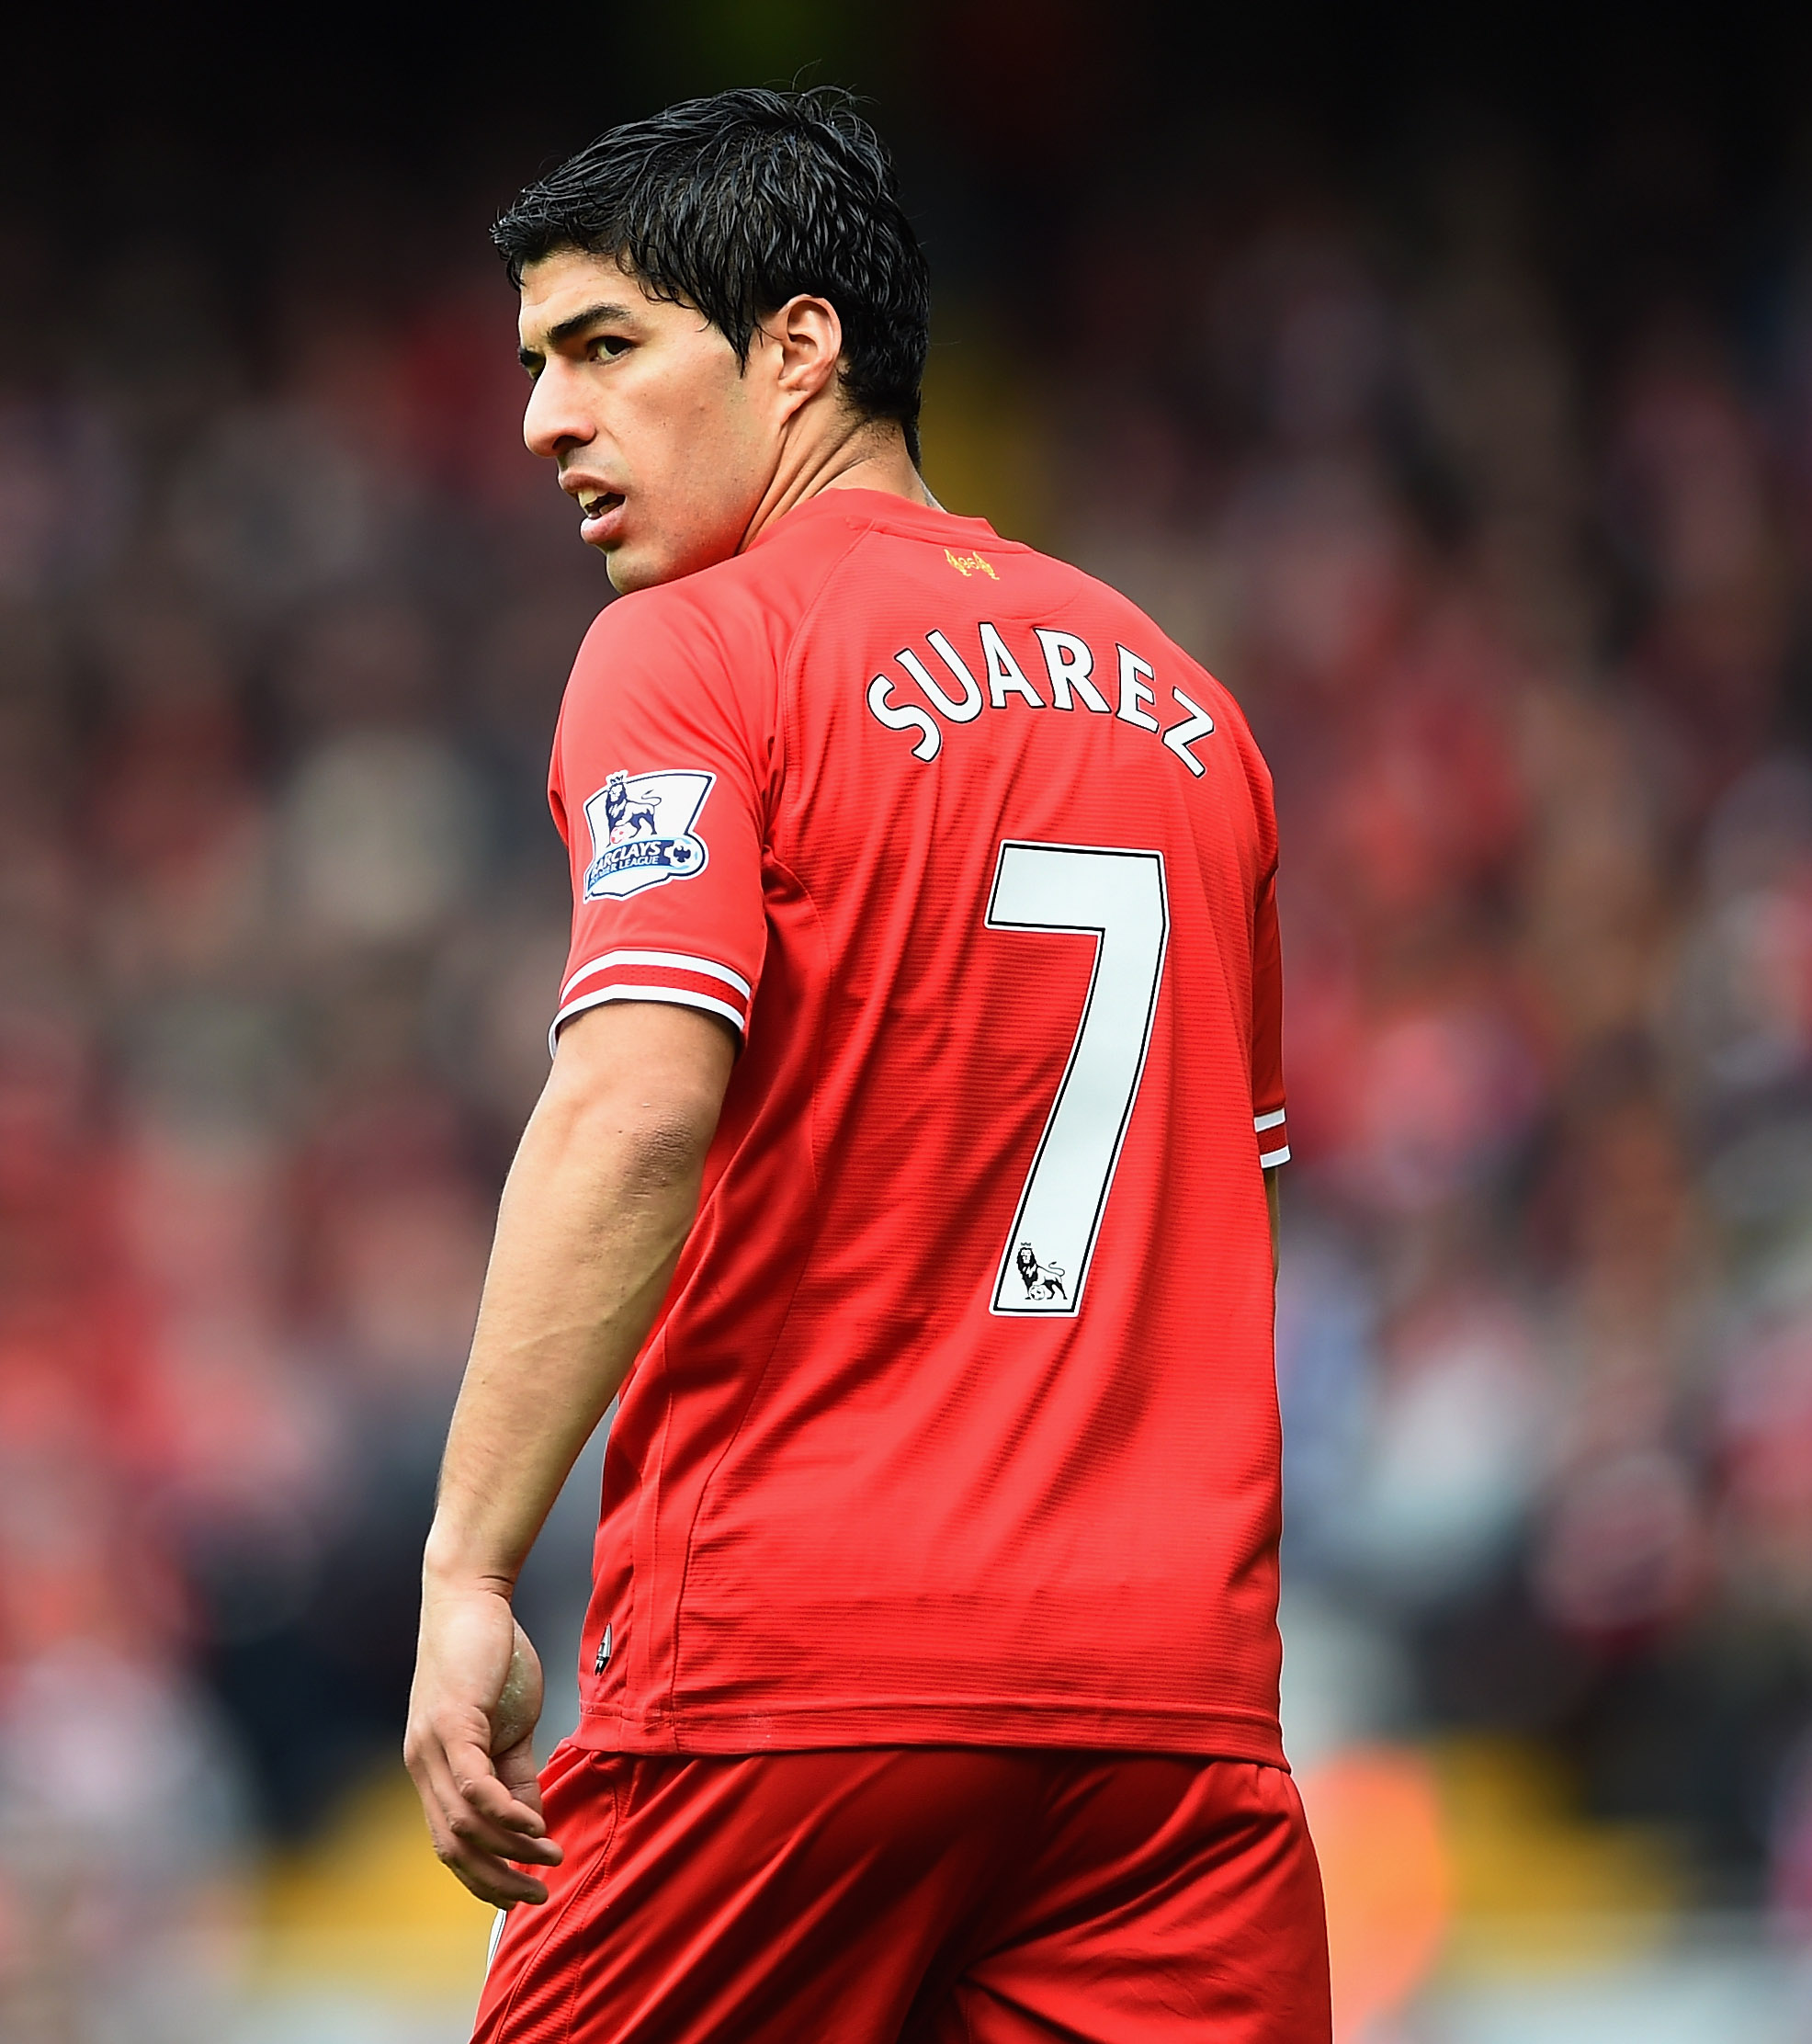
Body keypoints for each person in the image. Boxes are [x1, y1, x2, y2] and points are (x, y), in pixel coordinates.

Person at [402, 87, 1330, 2042]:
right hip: (1172, 1721)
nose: (542, 421)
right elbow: (1222, 1211)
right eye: (535, 366)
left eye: (600, 347)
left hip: (799, 1670)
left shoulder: (694, 649)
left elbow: (639, 1100)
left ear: (799, 345)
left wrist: (470, 1558)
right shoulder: (1193, 709)